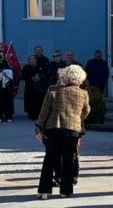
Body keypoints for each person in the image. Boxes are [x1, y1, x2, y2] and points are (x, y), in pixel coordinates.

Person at [35, 66, 91, 199]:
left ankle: (44, 191)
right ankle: (65, 190)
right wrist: (76, 117)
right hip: (72, 130)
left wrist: (38, 127)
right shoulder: (83, 93)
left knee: (49, 159)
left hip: (53, 128)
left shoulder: (53, 90)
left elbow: (44, 111)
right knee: (68, 160)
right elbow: (86, 112)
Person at [21, 54, 49, 120]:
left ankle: (38, 114)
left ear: (36, 60)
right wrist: (31, 78)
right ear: (28, 60)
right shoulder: (26, 67)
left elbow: (45, 75)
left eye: (33, 59)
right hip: (29, 87)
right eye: (30, 59)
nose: (32, 60)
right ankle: (31, 114)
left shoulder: (40, 67)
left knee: (38, 101)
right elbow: (23, 76)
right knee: (30, 101)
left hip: (38, 87)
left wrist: (39, 78)